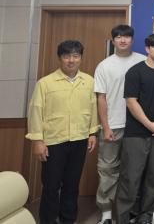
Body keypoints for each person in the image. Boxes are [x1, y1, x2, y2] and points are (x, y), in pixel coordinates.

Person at [26, 40, 99, 224]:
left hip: (79, 140)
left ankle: (68, 219)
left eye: (75, 56)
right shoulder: (45, 83)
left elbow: (93, 108)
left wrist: (92, 133)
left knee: (72, 185)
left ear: (81, 58)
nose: (71, 60)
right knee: (51, 186)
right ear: (60, 58)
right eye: (67, 56)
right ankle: (48, 220)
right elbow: (35, 111)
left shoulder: (89, 81)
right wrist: (37, 141)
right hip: (53, 142)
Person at [114, 34, 154, 224]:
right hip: (136, 134)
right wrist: (149, 124)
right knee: (130, 178)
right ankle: (122, 218)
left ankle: (146, 215)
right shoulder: (135, 72)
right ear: (147, 49)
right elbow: (131, 102)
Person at [95, 25, 146, 224]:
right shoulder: (104, 65)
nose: (123, 40)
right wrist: (106, 126)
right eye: (118, 37)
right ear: (113, 40)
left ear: (132, 39)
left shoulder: (143, 61)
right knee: (108, 170)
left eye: (126, 37)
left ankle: (129, 211)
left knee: (133, 171)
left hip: (137, 126)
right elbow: (101, 98)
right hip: (113, 126)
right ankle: (106, 213)